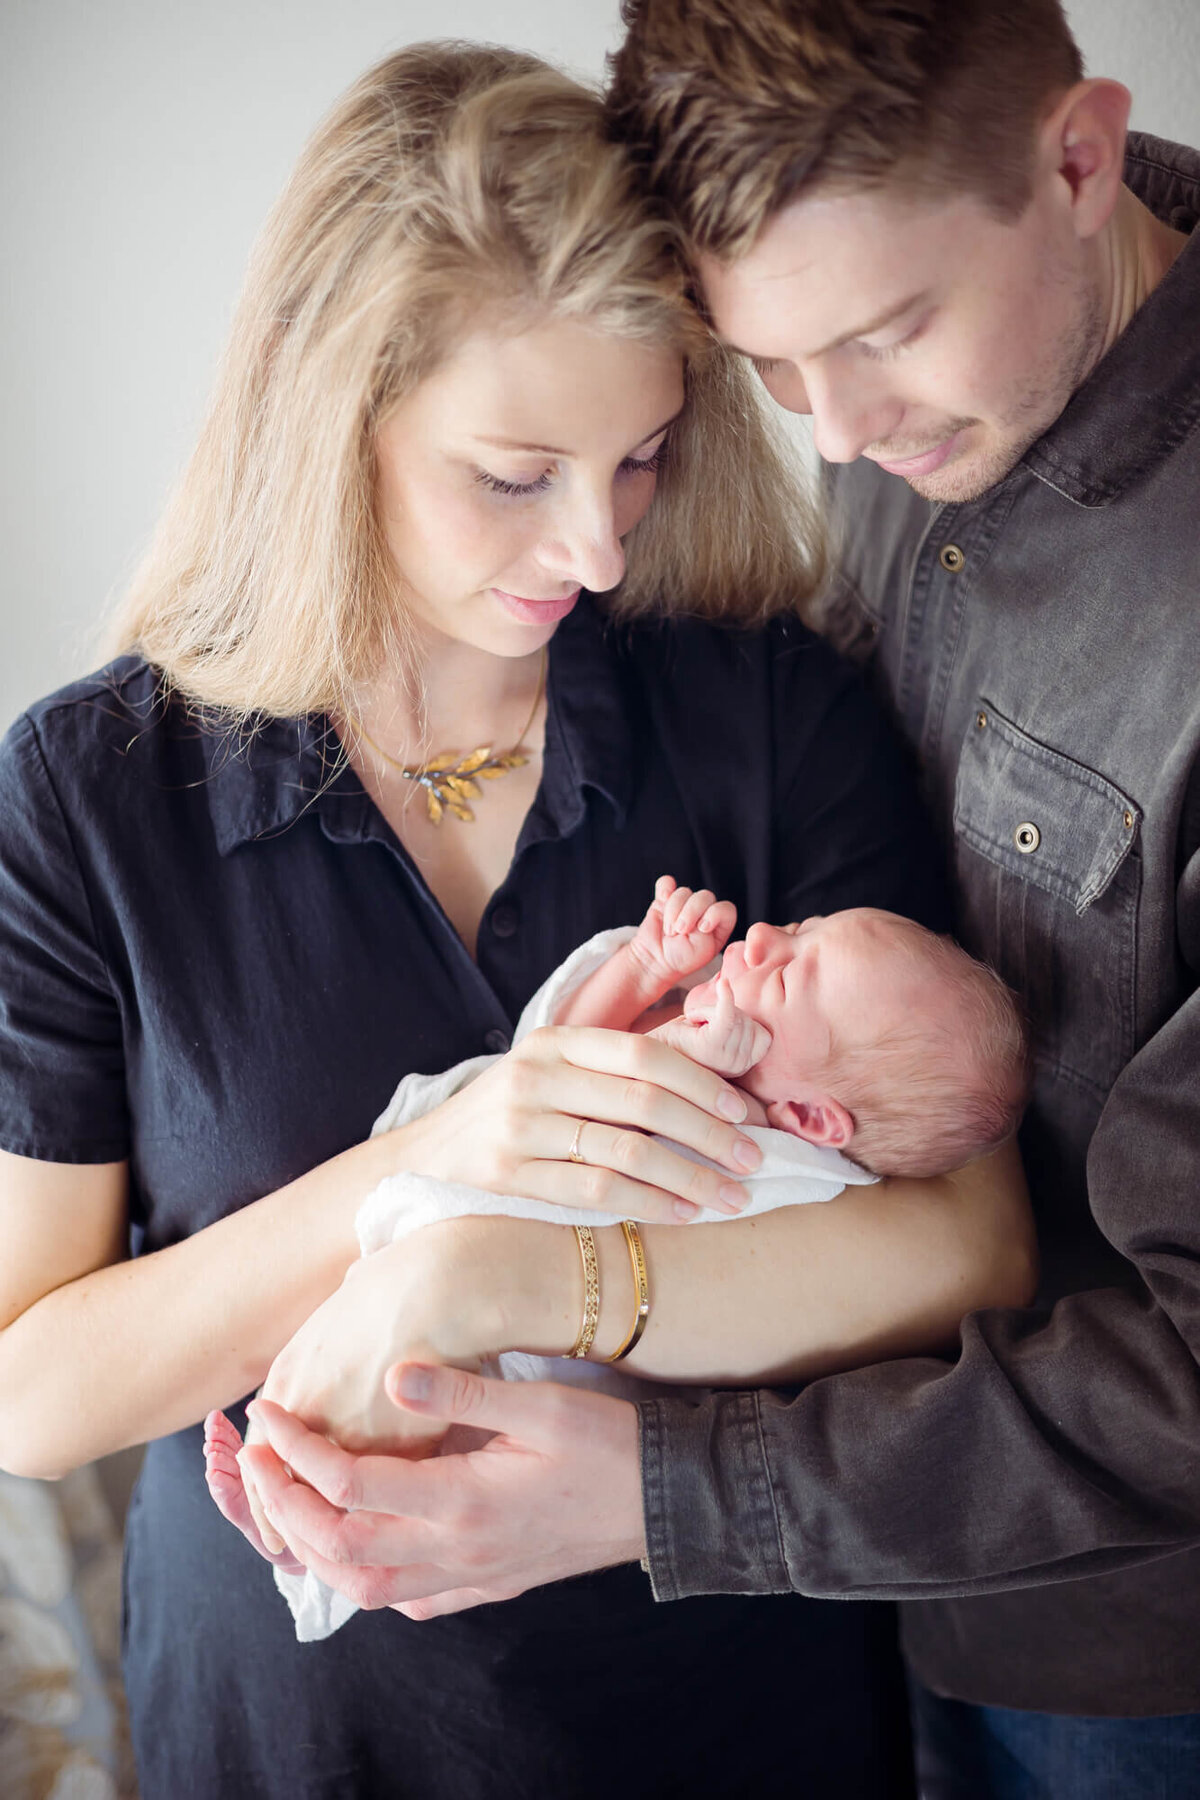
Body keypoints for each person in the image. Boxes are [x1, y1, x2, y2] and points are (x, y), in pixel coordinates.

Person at [0, 39, 1037, 1800]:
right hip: (291, 1742)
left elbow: (970, 1247)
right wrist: (470, 1146)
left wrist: (516, 1275)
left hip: (726, 1714)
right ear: (337, 417)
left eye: (638, 459)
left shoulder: (765, 714)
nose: (600, 549)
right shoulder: (93, 794)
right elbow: (31, 1392)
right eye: (513, 473)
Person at [226, 6, 1200, 1797]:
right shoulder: (924, 417)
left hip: (1137, 1655)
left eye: (883, 337)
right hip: (883, 1615)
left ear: (1077, 159)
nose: (835, 433)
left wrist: (657, 1475)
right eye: (765, 370)